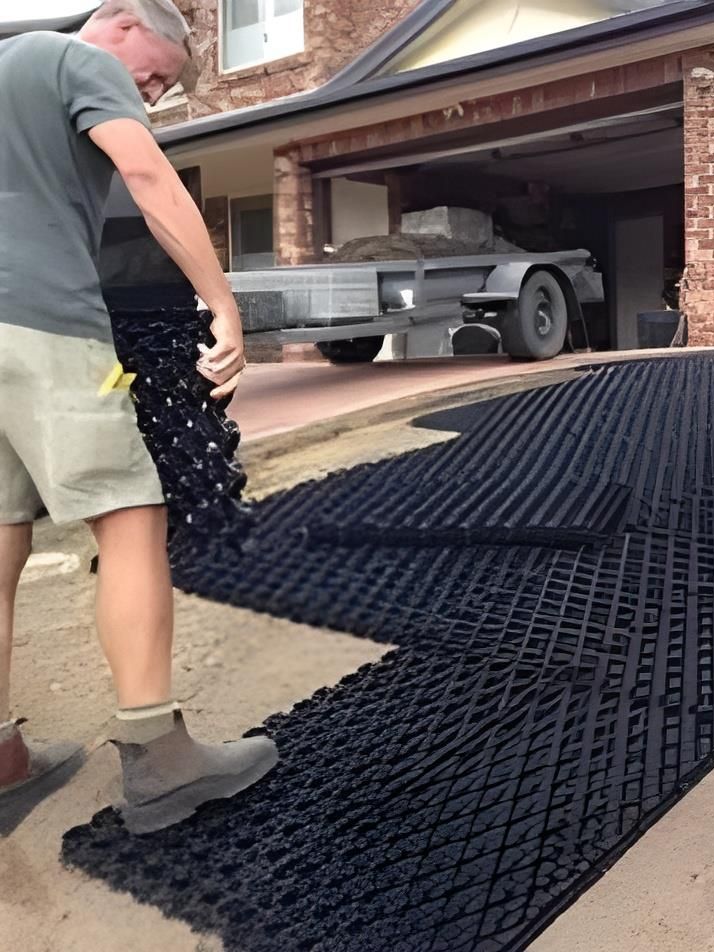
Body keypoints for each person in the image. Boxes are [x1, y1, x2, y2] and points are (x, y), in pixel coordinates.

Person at [0, 0, 278, 835]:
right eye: (154, 74)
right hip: (41, 322)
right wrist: (222, 305)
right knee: (130, 516)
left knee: (0, 535)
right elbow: (150, 178)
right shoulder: (75, 59)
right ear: (122, 20)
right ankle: (161, 763)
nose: (150, 95)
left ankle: (0, 755)